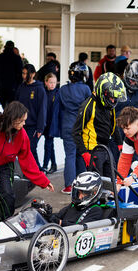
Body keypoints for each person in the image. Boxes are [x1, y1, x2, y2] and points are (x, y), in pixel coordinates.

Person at [0, 101, 54, 220]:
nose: (24, 124)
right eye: (22, 121)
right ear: (13, 119)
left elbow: (27, 159)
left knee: (7, 196)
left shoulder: (21, 134)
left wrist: (43, 181)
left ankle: (7, 226)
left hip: (4, 166)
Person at [73, 72, 126, 177]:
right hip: (93, 151)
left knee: (111, 180)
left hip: (106, 148)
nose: (113, 100)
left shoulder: (109, 106)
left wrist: (120, 144)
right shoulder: (87, 107)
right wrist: (85, 154)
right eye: (111, 97)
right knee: (96, 184)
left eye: (114, 98)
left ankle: (110, 194)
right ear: (103, 92)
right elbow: (76, 132)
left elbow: (113, 126)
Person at [57, 62, 92, 194]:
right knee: (80, 154)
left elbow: (57, 110)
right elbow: (89, 109)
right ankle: (81, 183)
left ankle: (69, 185)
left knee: (70, 155)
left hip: (67, 126)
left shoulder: (63, 89)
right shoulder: (85, 89)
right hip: (81, 126)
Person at [15, 64, 47, 170]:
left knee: (31, 148)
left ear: (33, 74)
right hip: (20, 125)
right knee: (23, 149)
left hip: (34, 126)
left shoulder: (39, 89)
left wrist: (40, 128)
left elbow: (42, 109)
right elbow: (16, 105)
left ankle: (38, 170)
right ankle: (31, 171)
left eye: (26, 73)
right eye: (23, 73)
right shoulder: (21, 87)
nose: (24, 76)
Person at [0, 40, 23, 105]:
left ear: (5, 47)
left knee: (0, 106)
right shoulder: (17, 58)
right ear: (13, 48)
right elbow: (20, 74)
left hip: (0, 86)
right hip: (13, 87)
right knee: (12, 106)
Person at [43, 73, 59, 174]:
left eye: (54, 82)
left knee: (48, 144)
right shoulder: (43, 93)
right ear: (46, 83)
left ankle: (45, 166)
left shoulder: (57, 93)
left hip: (52, 124)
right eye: (50, 83)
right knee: (50, 145)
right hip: (44, 122)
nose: (53, 85)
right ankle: (54, 164)